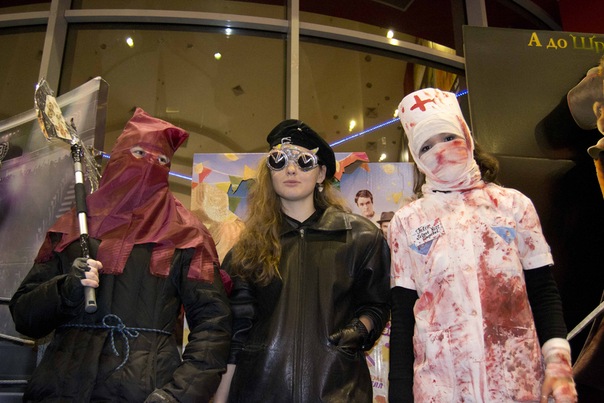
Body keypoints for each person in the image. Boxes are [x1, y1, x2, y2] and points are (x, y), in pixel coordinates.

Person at [10, 108, 232, 402]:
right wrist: (66, 289)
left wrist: (177, 395)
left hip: (143, 392)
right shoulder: (72, 227)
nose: (150, 164)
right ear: (118, 157)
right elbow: (25, 317)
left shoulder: (187, 236)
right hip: (60, 389)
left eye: (162, 160)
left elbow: (213, 326)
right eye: (139, 153)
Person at [388, 88, 577, 402]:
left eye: (448, 137)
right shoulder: (408, 221)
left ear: (467, 137)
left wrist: (559, 363)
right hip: (442, 388)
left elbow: (543, 290)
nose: (440, 151)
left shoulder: (513, 206)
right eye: (426, 146)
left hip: (516, 381)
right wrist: (399, 395)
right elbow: (403, 315)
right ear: (417, 158)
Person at [214, 119, 391, 402]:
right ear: (270, 173)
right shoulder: (248, 248)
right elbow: (236, 332)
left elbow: (377, 303)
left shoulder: (361, 237)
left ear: (321, 174)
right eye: (279, 161)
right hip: (260, 391)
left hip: (338, 390)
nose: (291, 169)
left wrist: (358, 330)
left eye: (304, 161)